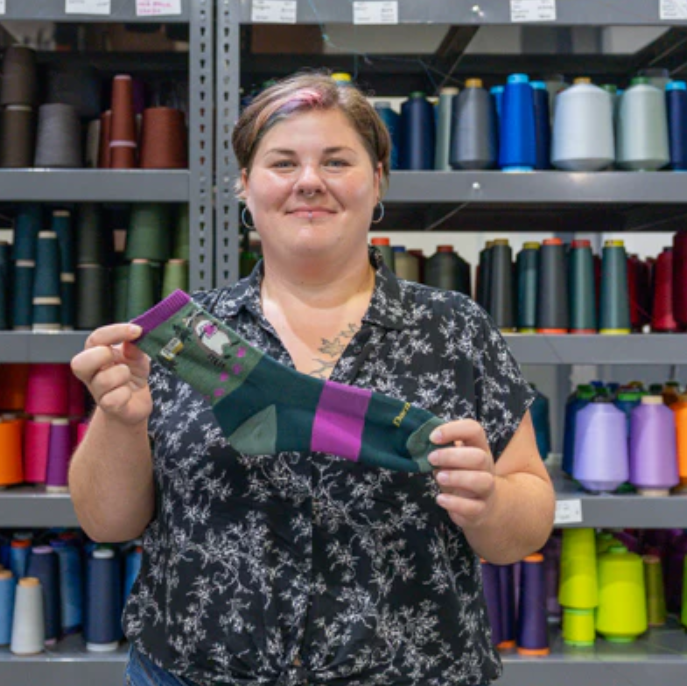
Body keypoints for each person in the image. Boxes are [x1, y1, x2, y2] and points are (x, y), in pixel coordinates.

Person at [69, 72, 556, 686]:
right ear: (245, 186)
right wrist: (120, 420)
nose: (308, 181)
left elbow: (523, 524)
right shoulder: (189, 339)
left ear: (377, 180)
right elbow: (107, 524)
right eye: (282, 163)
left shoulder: (454, 329)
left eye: (336, 161)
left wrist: (489, 502)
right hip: (194, 672)